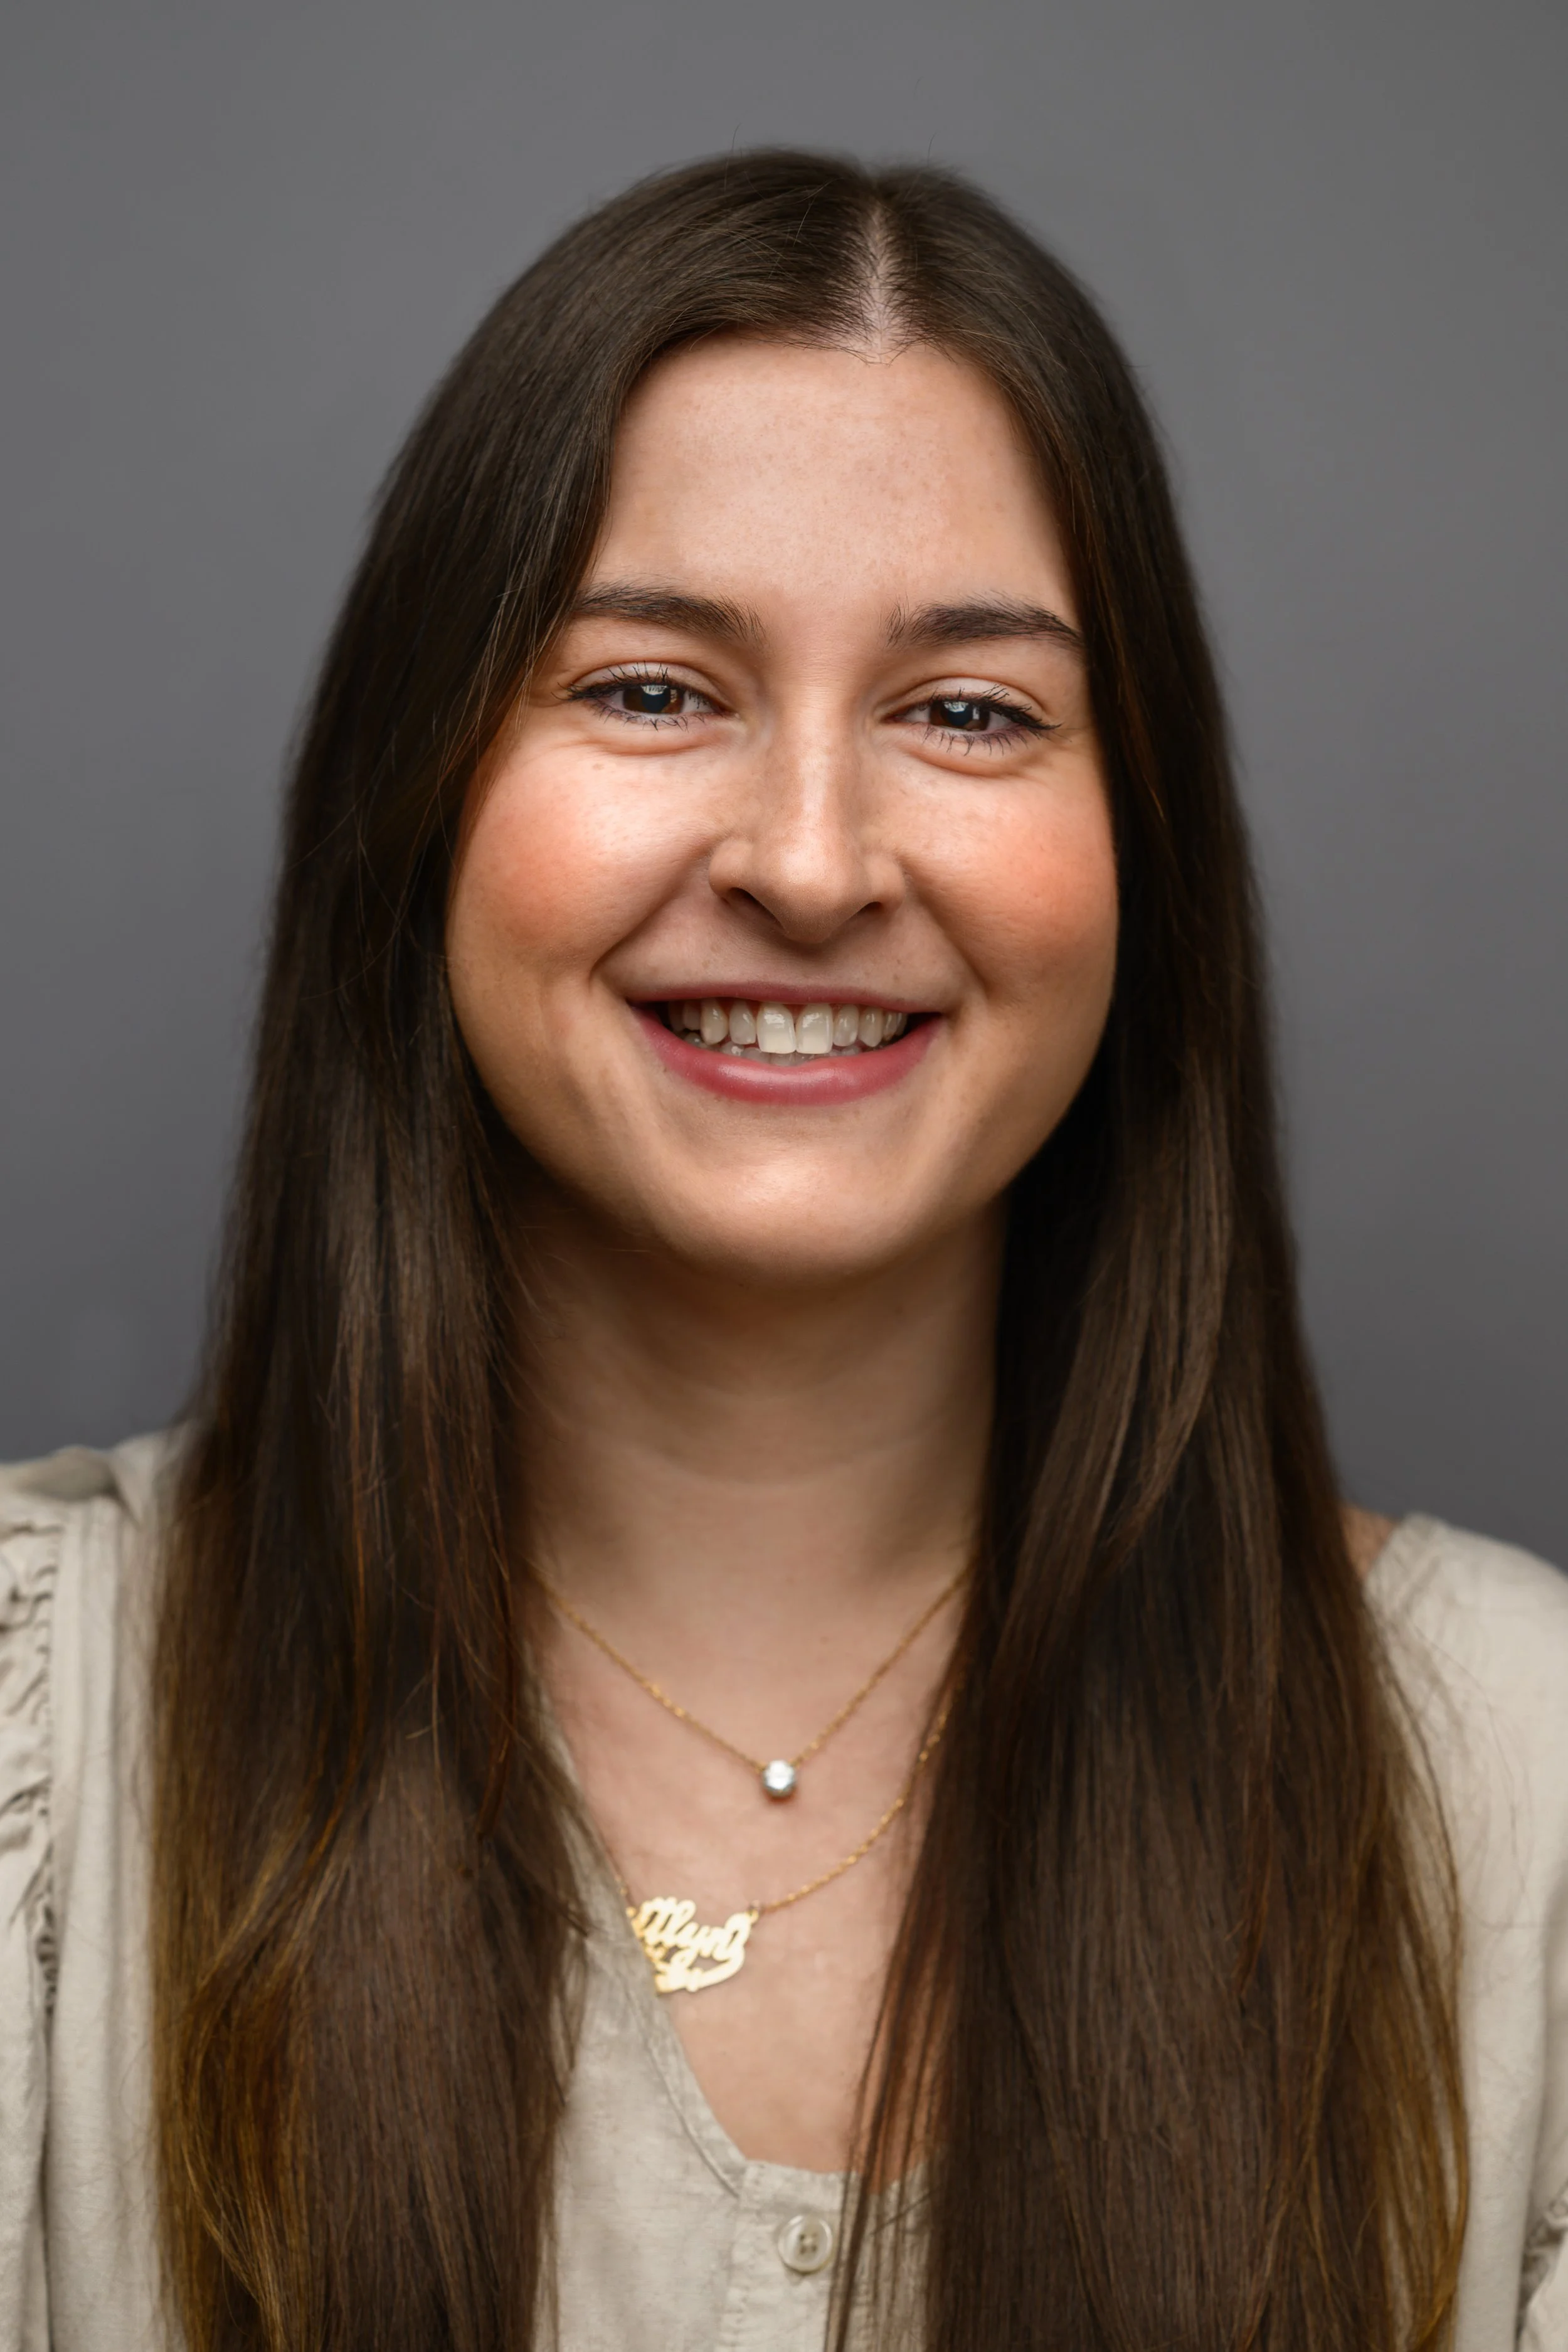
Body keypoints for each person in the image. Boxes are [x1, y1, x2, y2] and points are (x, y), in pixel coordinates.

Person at [1, 151, 1564, 2352]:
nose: (814, 863)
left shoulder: (1528, 1802)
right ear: (419, 798)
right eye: (648, 688)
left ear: (1144, 857)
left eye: (970, 710)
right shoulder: (40, 1754)